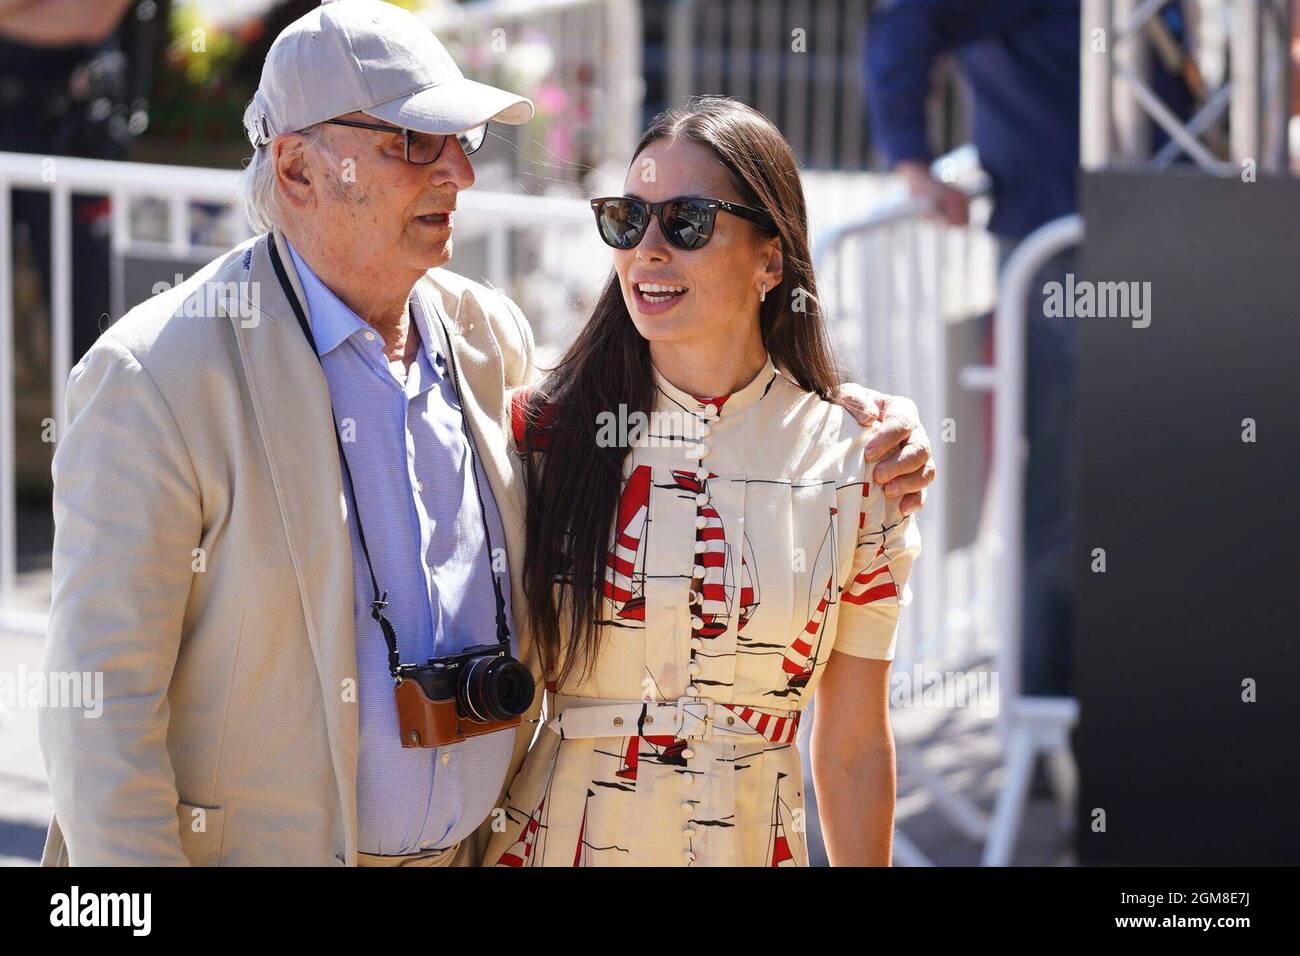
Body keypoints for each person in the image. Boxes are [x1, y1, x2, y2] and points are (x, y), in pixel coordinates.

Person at [38, 1, 935, 866]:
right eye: (413, 145)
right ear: (298, 171)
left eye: (459, 144)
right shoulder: (154, 378)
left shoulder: (484, 334)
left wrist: (851, 416)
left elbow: (706, 405)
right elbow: (98, 716)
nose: (460, 175)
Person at [483, 97, 922, 867]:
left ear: (770, 258)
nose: (648, 250)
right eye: (626, 219)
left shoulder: (861, 466)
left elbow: (851, 747)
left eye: (685, 222)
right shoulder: (539, 435)